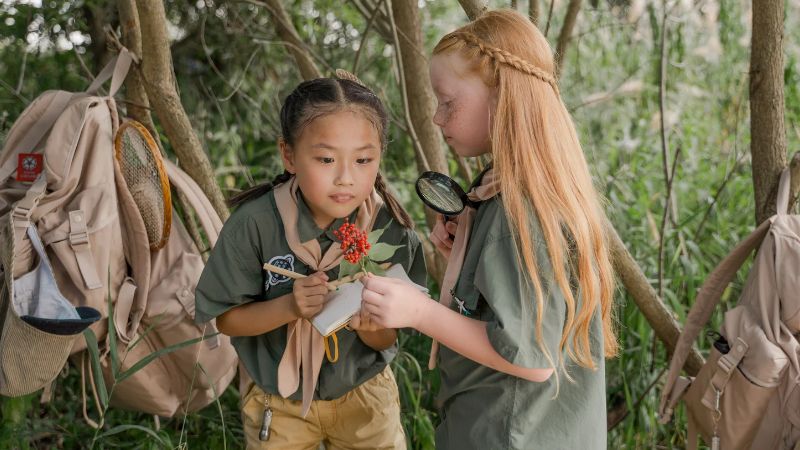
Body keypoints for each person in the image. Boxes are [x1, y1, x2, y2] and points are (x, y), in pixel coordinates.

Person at [360, 9, 617, 449]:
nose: (438, 118)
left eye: (448, 102)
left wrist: (418, 312)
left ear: (501, 96)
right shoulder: (522, 189)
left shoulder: (519, 211)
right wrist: (465, 254)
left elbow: (530, 358)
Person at [195, 74, 427, 449]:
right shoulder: (255, 225)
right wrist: (289, 306)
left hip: (363, 393)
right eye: (326, 159)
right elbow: (228, 319)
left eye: (364, 160)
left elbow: (389, 335)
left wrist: (368, 325)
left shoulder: (388, 231)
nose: (346, 178)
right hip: (279, 400)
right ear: (289, 155)